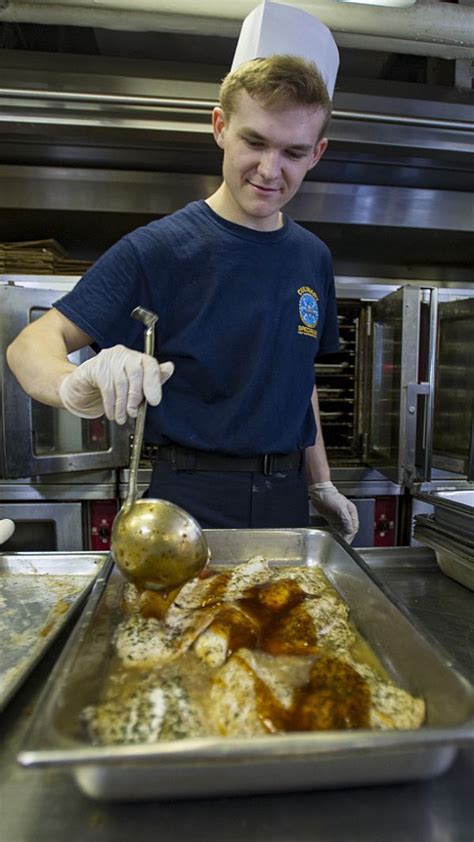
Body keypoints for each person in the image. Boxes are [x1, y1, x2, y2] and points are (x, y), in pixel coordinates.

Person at [6, 2, 359, 542]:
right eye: (255, 142)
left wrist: (321, 483)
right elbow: (29, 345)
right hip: (190, 499)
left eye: (293, 151)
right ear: (220, 127)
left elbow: (298, 375)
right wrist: (73, 384)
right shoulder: (160, 248)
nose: (270, 170)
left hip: (287, 497)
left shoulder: (313, 256)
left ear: (318, 153)